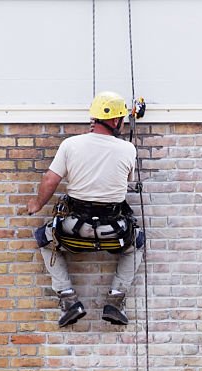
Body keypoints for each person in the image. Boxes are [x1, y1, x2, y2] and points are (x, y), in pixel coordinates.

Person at [22, 91, 143, 327]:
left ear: (94, 118)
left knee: (45, 240)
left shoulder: (70, 145)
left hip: (74, 229)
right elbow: (126, 182)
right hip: (114, 231)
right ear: (116, 121)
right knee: (135, 245)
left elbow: (49, 180)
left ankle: (68, 298)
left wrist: (36, 204)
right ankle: (115, 301)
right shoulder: (128, 149)